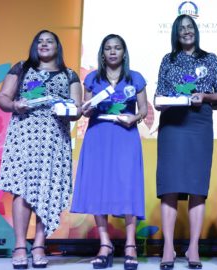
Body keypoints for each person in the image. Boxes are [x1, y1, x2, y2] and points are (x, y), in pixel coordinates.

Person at [0, 30, 82, 269]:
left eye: (49, 41)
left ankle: (40, 246)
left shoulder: (69, 74)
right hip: (24, 136)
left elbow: (77, 109)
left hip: (54, 139)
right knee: (22, 190)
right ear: (35, 47)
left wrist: (69, 109)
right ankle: (20, 246)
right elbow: (2, 97)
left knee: (48, 189)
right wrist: (15, 104)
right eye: (40, 41)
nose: (44, 45)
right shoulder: (21, 68)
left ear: (58, 46)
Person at [70, 34, 147, 270]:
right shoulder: (92, 78)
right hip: (98, 136)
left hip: (125, 136)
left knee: (128, 186)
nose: (113, 52)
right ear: (102, 53)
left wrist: (133, 117)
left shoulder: (135, 77)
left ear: (124, 52)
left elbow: (143, 109)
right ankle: (105, 245)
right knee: (99, 186)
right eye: (108, 48)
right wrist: (87, 107)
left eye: (117, 48)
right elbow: (85, 110)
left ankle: (131, 244)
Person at [154, 14, 217, 270]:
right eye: (181, 28)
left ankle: (193, 246)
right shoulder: (168, 60)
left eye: (189, 27)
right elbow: (158, 97)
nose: (186, 31)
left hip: (198, 123)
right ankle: (168, 247)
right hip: (172, 125)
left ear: (196, 30)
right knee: (170, 185)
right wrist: (163, 101)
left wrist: (204, 96)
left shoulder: (210, 58)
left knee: (196, 185)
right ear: (175, 33)